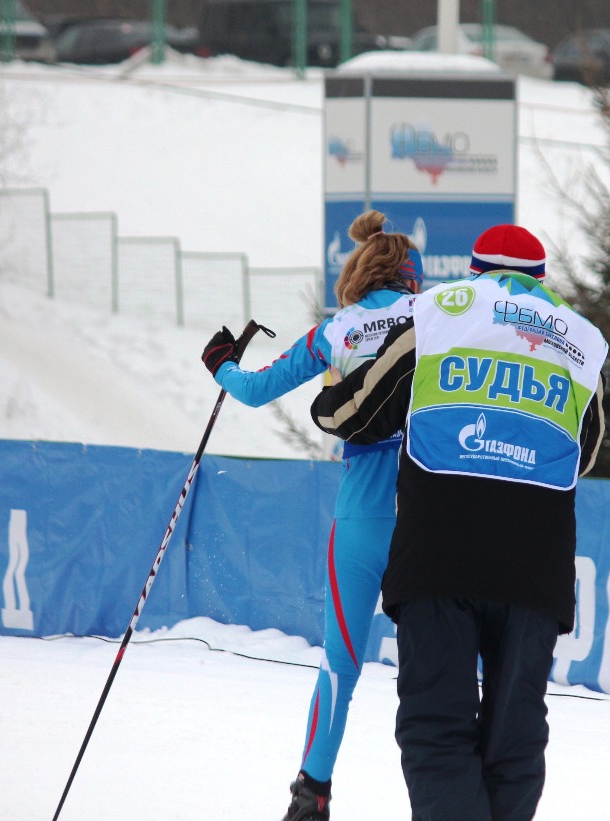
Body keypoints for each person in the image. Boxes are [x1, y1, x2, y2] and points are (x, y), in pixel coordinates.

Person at [310, 224, 608, 821]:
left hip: (440, 556)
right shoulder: (580, 338)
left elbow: (359, 413)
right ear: (541, 280)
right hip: (536, 566)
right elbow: (589, 448)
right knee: (515, 736)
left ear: (475, 270)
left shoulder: (436, 312)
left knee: (436, 726)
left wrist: (327, 400)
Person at [200, 210, 423, 821]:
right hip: (426, 520)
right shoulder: (436, 322)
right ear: (413, 280)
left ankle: (311, 796)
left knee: (340, 665)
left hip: (359, 518)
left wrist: (222, 360)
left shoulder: (337, 330)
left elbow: (250, 391)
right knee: (436, 668)